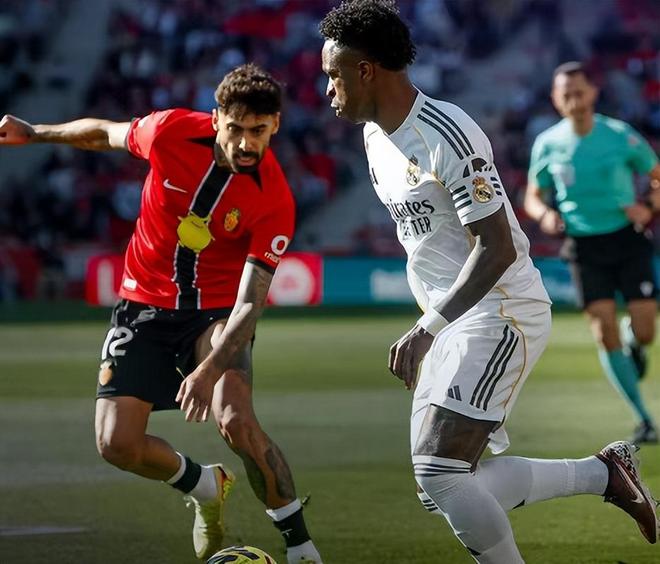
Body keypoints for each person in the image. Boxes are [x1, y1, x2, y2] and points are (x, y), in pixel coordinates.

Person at [319, 2, 658, 562]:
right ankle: (604, 474)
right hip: (453, 320)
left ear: (366, 70)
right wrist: (435, 324)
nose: (327, 89)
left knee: (440, 472)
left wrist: (428, 327)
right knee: (443, 487)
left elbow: (495, 247)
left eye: (333, 75)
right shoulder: (375, 139)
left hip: (501, 309)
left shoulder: (447, 134)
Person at [0, 63, 322, 564]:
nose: (245, 143)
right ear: (215, 118)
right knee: (116, 444)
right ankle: (203, 484)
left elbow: (250, 304)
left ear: (275, 126)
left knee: (235, 420)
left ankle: (301, 547)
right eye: (235, 128)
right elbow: (104, 134)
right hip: (142, 304)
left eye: (258, 131)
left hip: (215, 313)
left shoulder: (275, 198)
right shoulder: (170, 131)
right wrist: (36, 132)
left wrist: (208, 370)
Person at [525, 61, 660, 445]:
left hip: (627, 238)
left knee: (646, 331)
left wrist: (648, 207)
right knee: (602, 330)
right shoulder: (548, 143)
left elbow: (656, 176)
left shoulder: (620, 135)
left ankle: (633, 339)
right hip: (583, 245)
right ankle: (643, 418)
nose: (573, 100)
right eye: (565, 94)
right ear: (555, 99)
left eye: (579, 92)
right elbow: (533, 195)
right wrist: (545, 214)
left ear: (593, 93)